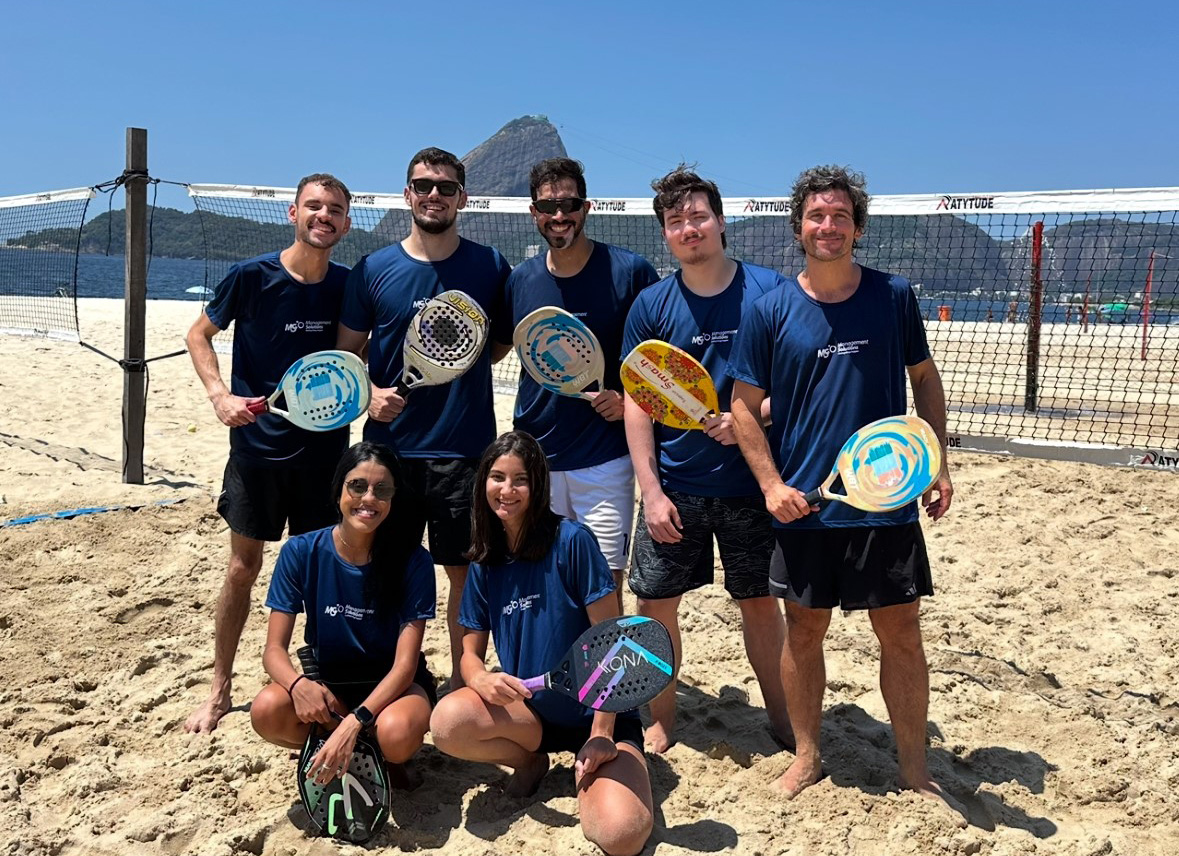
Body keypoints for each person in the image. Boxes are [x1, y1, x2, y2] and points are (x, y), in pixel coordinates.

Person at [728, 165, 957, 811]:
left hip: (885, 499)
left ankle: (914, 768)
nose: (826, 226)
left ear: (856, 226)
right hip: (806, 506)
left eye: (838, 216)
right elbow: (743, 408)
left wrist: (935, 462)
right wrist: (770, 485)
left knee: (902, 633)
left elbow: (925, 380)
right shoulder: (768, 309)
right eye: (815, 215)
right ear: (798, 226)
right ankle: (806, 757)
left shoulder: (891, 295)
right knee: (802, 634)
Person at [622, 167, 791, 754]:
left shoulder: (770, 290)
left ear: (720, 221)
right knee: (652, 605)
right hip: (679, 487)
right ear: (665, 235)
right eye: (676, 222)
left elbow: (797, 381)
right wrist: (652, 490)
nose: (689, 228)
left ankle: (782, 717)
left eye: (698, 216)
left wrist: (752, 417)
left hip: (754, 485)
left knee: (761, 604)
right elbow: (638, 404)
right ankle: (662, 721)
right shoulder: (653, 304)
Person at [337, 147, 512, 693]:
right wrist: (370, 395)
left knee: (464, 572)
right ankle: (395, 679)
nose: (433, 194)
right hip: (391, 454)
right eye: (423, 185)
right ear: (407, 194)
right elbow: (348, 353)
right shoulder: (373, 268)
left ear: (461, 197)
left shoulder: (489, 266)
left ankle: (462, 684)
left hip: (465, 452)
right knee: (387, 567)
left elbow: (498, 346)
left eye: (444, 186)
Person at [430, 431, 653, 856]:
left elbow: (616, 645)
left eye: (521, 480)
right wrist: (478, 678)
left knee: (621, 836)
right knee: (447, 723)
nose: (507, 490)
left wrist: (602, 733)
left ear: (538, 485)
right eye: (497, 477)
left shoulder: (573, 541)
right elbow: (470, 654)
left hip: (598, 716)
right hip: (530, 715)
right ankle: (531, 762)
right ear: (483, 484)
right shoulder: (486, 560)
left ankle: (597, 768)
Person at [184, 173, 353, 733]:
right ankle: (219, 687)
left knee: (319, 574)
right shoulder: (251, 277)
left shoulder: (348, 287)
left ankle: (317, 677)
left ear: (346, 223)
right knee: (242, 568)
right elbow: (198, 335)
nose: (322, 216)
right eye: (313, 206)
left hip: (325, 459)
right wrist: (219, 396)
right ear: (293, 213)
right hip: (256, 453)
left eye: (333, 209)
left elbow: (358, 360)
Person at [497, 157, 659, 604]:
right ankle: (551, 673)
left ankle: (600, 677)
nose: (558, 215)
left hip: (605, 460)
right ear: (534, 213)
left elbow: (657, 364)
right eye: (547, 206)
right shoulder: (519, 280)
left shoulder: (631, 273)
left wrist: (627, 397)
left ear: (585, 207)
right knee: (541, 584)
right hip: (536, 459)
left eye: (568, 203)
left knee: (603, 588)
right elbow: (494, 349)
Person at [250, 441, 436, 783]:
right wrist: (298, 685)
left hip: (392, 688)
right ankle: (342, 748)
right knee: (266, 710)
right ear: (339, 491)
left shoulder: (413, 559)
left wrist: (356, 720)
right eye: (358, 486)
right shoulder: (302, 551)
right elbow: (273, 650)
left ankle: (376, 753)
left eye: (382, 489)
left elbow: (405, 666)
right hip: (330, 685)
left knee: (395, 735)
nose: (369, 498)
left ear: (393, 499)